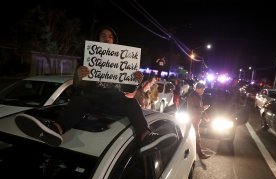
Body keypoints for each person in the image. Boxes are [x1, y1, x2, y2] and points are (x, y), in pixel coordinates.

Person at [15, 25, 176, 154]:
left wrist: (136, 80)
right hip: (91, 98)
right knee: (78, 101)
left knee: (132, 104)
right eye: (103, 35)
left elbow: (128, 88)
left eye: (110, 36)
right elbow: (78, 87)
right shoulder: (88, 59)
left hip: (113, 99)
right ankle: (55, 130)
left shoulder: (123, 60)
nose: (107, 38)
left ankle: (146, 136)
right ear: (97, 40)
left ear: (114, 41)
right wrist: (79, 76)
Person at [186, 82, 211, 159]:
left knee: (191, 136)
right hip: (192, 119)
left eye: (204, 89)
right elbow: (193, 109)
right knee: (196, 137)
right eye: (202, 89)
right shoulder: (193, 96)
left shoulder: (198, 96)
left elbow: (199, 109)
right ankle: (200, 154)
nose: (203, 91)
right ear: (197, 89)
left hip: (195, 119)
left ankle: (191, 152)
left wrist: (205, 116)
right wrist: (203, 108)